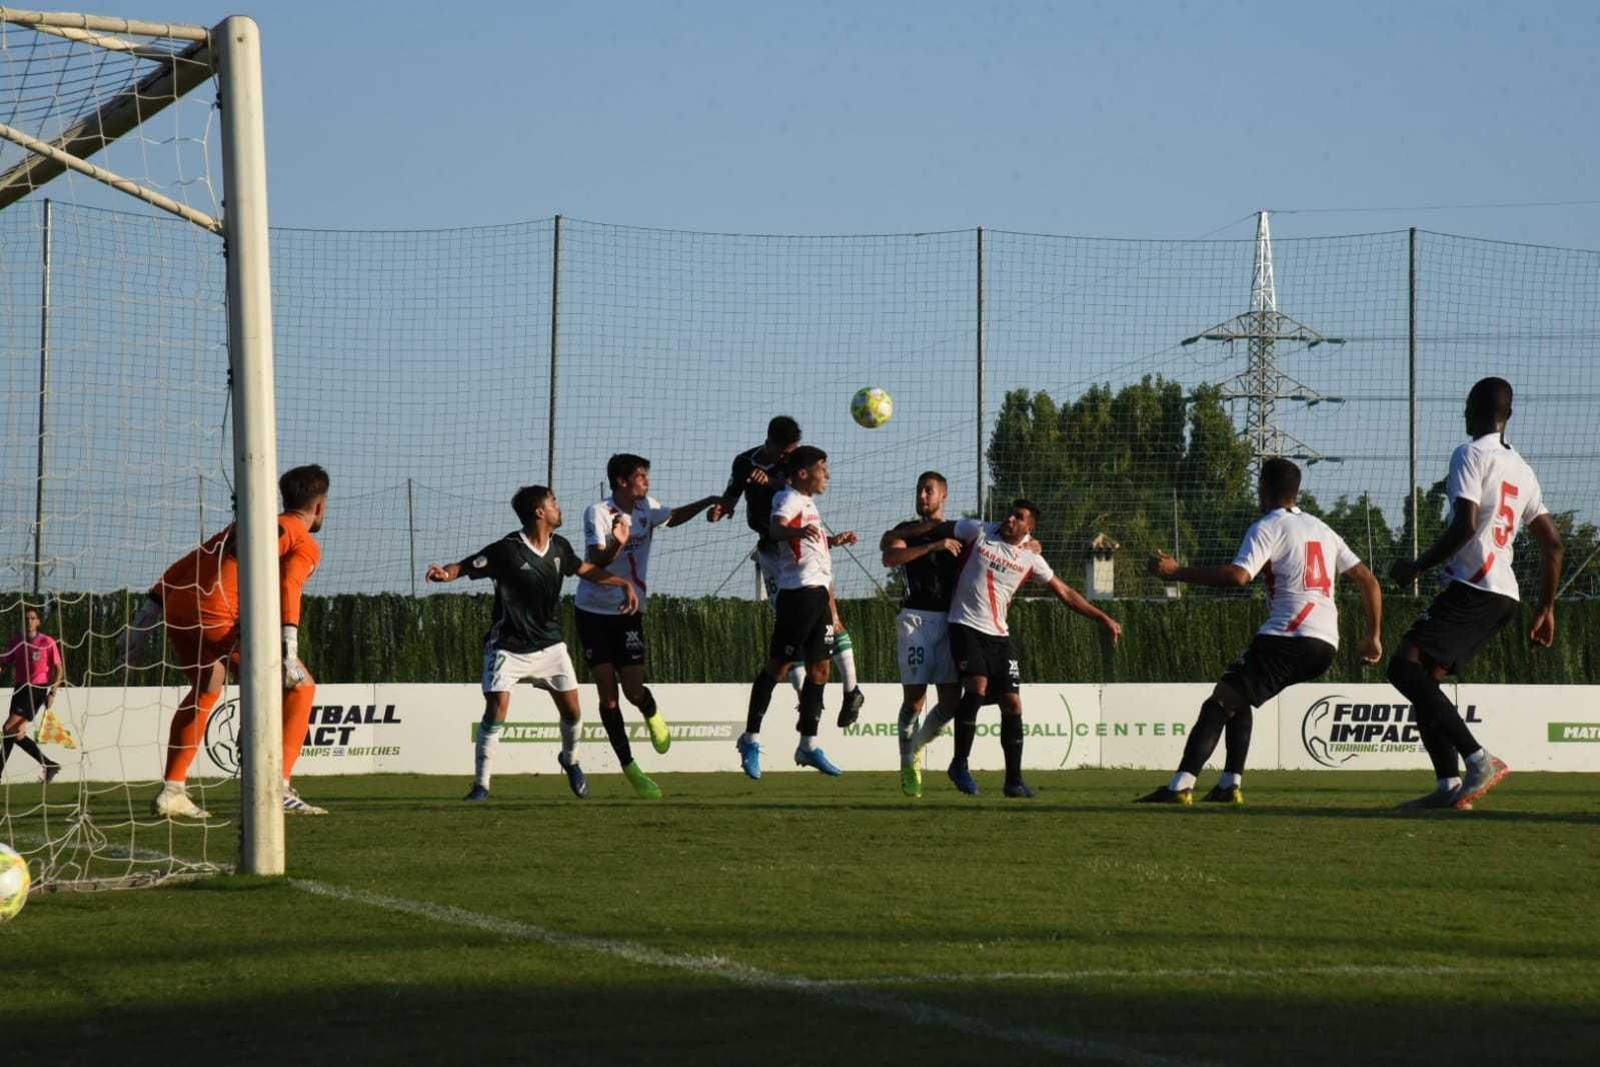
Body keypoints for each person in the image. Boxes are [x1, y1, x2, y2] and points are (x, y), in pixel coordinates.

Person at [1136, 458, 1383, 805]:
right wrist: (1373, 636)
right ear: (1297, 491)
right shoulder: (1323, 529)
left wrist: (1177, 572)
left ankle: (1179, 787)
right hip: (1326, 643)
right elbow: (1368, 580)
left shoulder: (1268, 525)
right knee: (1239, 695)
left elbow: (1239, 576)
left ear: (1264, 489)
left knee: (1219, 701)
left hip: (1289, 635)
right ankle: (1228, 785)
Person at [1386, 377, 1562, 810]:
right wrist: (1547, 607)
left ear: (1472, 409)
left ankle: (1479, 760)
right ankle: (1448, 788)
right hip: (1504, 593)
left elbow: (1464, 526)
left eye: (1466, 407)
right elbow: (1554, 545)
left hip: (1476, 586)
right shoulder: (1523, 469)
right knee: (1423, 679)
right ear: (1509, 415)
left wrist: (1415, 567)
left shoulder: (1469, 454)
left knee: (1403, 670)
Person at [132, 464, 330, 819]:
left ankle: (173, 789)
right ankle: (277, 786)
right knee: (301, 688)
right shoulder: (304, 540)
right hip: (217, 614)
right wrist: (289, 648)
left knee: (208, 686)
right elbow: (289, 584)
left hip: (179, 606)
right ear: (320, 506)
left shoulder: (244, 526)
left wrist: (146, 615)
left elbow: (194, 559)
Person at [427, 485, 638, 802]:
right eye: (553, 502)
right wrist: (446, 573)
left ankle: (570, 760)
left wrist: (621, 582)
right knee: (497, 708)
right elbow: (468, 564)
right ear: (540, 512)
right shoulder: (507, 550)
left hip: (550, 645)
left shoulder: (560, 548)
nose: (559, 506)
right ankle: (481, 785)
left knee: (573, 712)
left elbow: (585, 570)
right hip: (507, 646)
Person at [921, 500, 1121, 798]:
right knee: (977, 685)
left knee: (1012, 703)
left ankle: (1013, 781)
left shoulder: (1032, 557)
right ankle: (959, 764)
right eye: (1010, 513)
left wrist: (1103, 617)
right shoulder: (980, 530)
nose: (1010, 518)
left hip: (999, 635)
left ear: (1030, 528)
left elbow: (1065, 592)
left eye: (1019, 517)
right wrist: (903, 534)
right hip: (964, 624)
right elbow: (939, 527)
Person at [575, 453, 720, 799]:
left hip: (630, 610)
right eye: (641, 477)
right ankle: (631, 768)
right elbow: (595, 561)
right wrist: (618, 541)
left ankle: (651, 713)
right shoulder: (598, 512)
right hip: (592, 611)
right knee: (609, 699)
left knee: (634, 691)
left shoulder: (646, 508)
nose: (647, 482)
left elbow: (672, 516)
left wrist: (710, 501)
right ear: (622, 481)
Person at [708, 416, 865, 726]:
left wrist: (774, 483)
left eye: (793, 451)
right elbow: (731, 497)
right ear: (770, 444)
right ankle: (804, 702)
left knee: (832, 619)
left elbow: (798, 484)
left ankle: (851, 690)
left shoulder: (791, 471)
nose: (789, 457)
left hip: (805, 554)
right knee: (787, 634)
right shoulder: (744, 462)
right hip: (772, 552)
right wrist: (721, 509)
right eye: (785, 452)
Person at [735, 446, 859, 778]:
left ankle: (808, 745)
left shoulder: (808, 504)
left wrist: (832, 541)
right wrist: (796, 531)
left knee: (820, 671)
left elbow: (804, 543)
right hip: (798, 594)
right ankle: (750, 739)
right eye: (823, 469)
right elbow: (776, 530)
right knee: (778, 666)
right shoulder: (787, 499)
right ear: (803, 473)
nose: (828, 475)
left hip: (818, 592)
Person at [879, 472, 966, 798]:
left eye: (929, 490)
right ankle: (909, 763)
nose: (922, 495)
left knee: (949, 703)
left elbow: (995, 540)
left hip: (951, 621)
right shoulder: (907, 531)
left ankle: (914, 746)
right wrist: (933, 543)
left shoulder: (959, 529)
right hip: (915, 619)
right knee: (915, 699)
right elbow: (890, 554)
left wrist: (1030, 542)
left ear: (943, 495)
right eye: (919, 490)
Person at [1, 606, 64, 784]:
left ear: (38, 621)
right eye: (27, 618)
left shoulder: (47, 642)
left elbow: (59, 670)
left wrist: (53, 691)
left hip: (36, 690)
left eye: (32, 618)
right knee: (17, 734)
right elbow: (5, 662)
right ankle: (49, 764)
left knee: (7, 730)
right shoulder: (16, 641)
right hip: (20, 689)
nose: (29, 621)